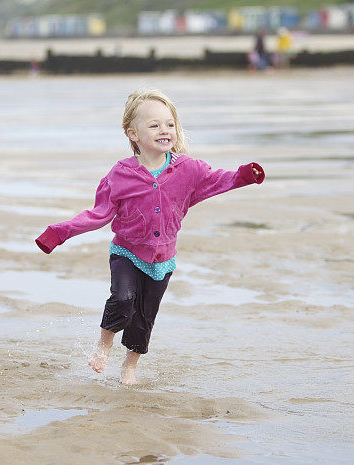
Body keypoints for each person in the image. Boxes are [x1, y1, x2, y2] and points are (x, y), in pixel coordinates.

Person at [35, 88, 265, 385]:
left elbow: (218, 180)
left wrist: (245, 175)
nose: (164, 130)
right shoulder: (119, 175)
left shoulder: (190, 170)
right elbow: (98, 215)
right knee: (123, 298)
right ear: (133, 133)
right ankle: (104, 344)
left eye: (169, 124)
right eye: (154, 125)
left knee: (144, 316)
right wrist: (57, 233)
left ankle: (129, 367)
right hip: (127, 252)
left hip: (163, 259)